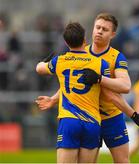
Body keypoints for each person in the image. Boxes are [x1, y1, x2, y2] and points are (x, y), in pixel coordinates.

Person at [36, 13, 139, 163]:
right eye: (98, 27)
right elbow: (70, 83)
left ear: (113, 34)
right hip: (91, 117)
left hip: (111, 117)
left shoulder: (116, 57)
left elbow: (125, 86)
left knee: (122, 161)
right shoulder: (83, 52)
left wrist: (99, 79)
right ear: (92, 29)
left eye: (105, 29)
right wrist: (54, 99)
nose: (100, 31)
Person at [36, 22, 111, 163]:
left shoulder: (59, 61)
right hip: (92, 122)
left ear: (66, 42)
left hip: (69, 121)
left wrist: (42, 62)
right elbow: (110, 91)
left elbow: (39, 69)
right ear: (84, 40)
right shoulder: (100, 64)